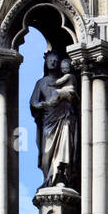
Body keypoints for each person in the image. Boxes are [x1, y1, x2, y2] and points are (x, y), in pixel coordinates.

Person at [29, 51, 79, 186]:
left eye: (55, 61)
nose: (53, 63)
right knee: (46, 153)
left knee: (64, 146)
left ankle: (61, 178)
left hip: (64, 117)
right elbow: (33, 102)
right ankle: (47, 179)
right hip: (48, 120)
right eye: (50, 60)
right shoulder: (41, 83)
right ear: (46, 63)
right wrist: (44, 104)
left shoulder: (66, 79)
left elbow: (75, 98)